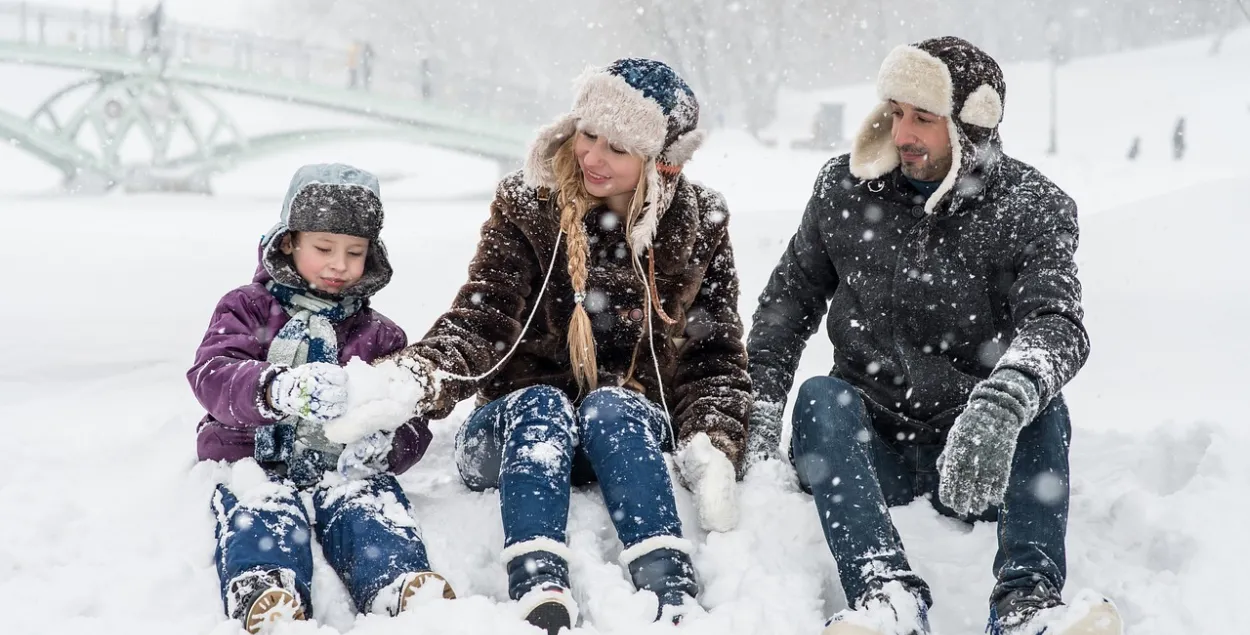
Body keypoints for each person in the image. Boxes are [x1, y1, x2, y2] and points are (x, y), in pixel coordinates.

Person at [744, 37, 1122, 635]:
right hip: (869, 448)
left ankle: (1026, 606)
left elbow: (1057, 323)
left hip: (977, 455)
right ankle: (885, 595)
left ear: (972, 125)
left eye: (924, 118)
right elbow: (788, 303)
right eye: (895, 113)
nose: (902, 135)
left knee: (1042, 405)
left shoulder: (1031, 207)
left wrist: (1001, 404)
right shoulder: (844, 191)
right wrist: (759, 402)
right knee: (820, 397)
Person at [378, 58, 750, 633]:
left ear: (661, 163)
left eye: (618, 148)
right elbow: (483, 317)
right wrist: (418, 375)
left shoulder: (702, 222)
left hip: (620, 439)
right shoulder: (528, 204)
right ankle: (537, 580)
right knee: (543, 406)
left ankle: (669, 584)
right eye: (588, 133)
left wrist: (713, 438)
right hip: (514, 432)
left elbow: (714, 353)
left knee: (615, 405)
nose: (592, 157)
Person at [189, 164, 454, 633]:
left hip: (342, 466)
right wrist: (275, 388)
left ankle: (396, 582)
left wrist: (388, 443)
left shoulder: (380, 335)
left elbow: (409, 416)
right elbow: (213, 374)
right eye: (324, 248)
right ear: (289, 241)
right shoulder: (247, 308)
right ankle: (266, 586)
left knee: (368, 504)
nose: (339, 265)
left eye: (355, 252)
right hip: (252, 456)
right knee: (262, 507)